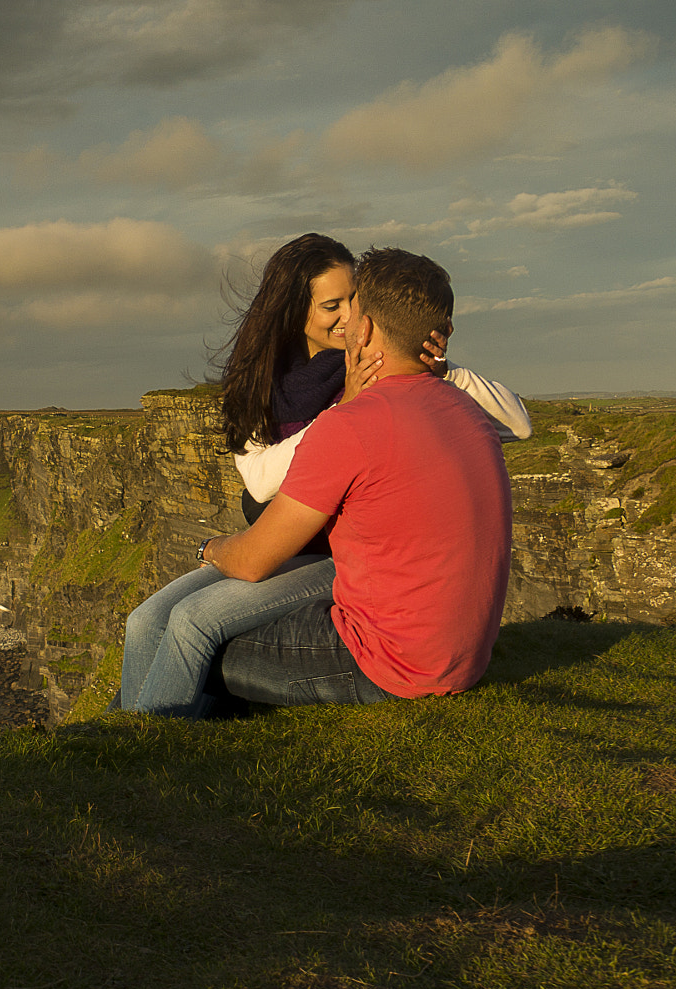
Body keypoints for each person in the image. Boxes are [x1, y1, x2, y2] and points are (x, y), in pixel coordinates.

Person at [117, 233, 529, 717]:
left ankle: (145, 743)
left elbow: (251, 559)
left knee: (190, 632)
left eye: (354, 302)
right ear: (295, 313)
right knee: (146, 621)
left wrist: (206, 548)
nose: (347, 315)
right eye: (334, 303)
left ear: (368, 323)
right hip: (420, 629)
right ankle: (120, 737)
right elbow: (261, 482)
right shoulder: (277, 388)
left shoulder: (375, 406)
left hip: (360, 605)